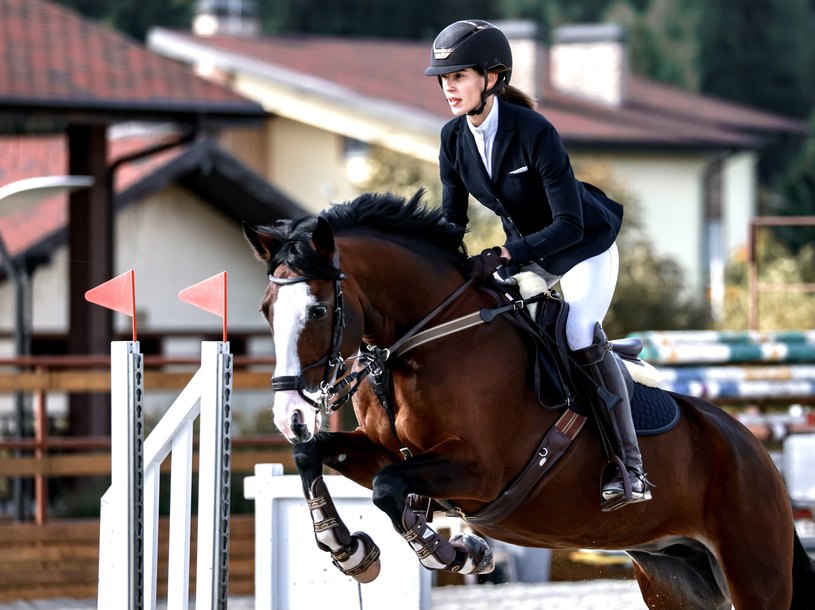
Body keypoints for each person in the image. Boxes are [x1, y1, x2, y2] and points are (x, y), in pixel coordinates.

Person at [424, 19, 651, 511]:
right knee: (501, 331)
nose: (448, 87)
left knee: (574, 332)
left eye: (458, 76)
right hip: (529, 254)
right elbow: (451, 221)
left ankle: (629, 466)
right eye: (443, 78)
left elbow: (568, 225)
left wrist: (505, 254)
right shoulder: (453, 139)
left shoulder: (535, 131)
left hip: (582, 247)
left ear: (493, 78)